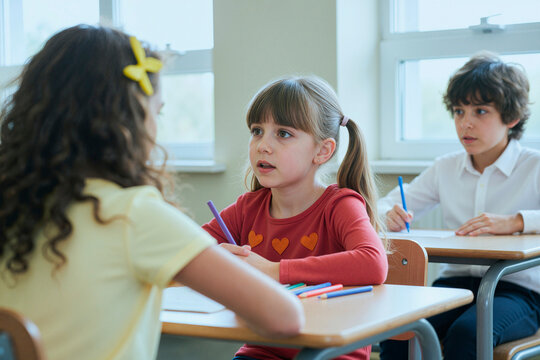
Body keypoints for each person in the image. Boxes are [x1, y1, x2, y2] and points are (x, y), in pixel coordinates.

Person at [0, 25, 304, 360]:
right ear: (127, 121)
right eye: (156, 112)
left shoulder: (12, 204)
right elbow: (285, 318)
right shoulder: (131, 213)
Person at [202, 75, 388, 360]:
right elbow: (190, 250)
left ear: (322, 151)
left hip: (331, 352)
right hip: (262, 348)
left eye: (283, 134)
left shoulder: (340, 205)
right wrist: (217, 257)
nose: (263, 145)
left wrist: (273, 270)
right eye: (256, 131)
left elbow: (373, 263)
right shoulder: (247, 208)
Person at [378, 52, 540, 359]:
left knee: (467, 334)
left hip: (518, 292)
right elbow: (384, 204)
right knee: (396, 330)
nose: (465, 123)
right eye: (458, 111)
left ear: (512, 117)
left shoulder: (534, 166)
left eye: (480, 111)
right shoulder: (445, 167)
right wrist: (388, 213)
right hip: (454, 285)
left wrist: (517, 221)